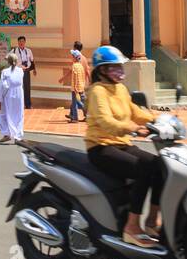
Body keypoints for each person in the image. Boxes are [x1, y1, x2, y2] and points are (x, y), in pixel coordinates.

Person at [85, 45, 163, 247]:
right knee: (143, 169)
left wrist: (158, 120)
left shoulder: (120, 89)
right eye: (114, 68)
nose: (120, 72)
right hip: (100, 147)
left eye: (121, 67)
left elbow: (135, 111)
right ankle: (132, 226)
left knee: (160, 165)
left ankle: (153, 221)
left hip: (121, 144)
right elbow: (106, 122)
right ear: (102, 71)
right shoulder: (97, 92)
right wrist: (134, 129)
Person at [0, 52, 25, 143]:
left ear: (8, 62)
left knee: (3, 114)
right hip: (19, 95)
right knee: (18, 115)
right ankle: (18, 136)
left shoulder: (5, 72)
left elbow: (3, 86)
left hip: (8, 94)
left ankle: (6, 134)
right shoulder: (20, 71)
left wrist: (0, 99)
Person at [13, 34, 35, 110]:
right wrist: (14, 65)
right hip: (18, 71)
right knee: (18, 88)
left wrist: (34, 70)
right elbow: (7, 57)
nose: (21, 43)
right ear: (18, 42)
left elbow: (32, 61)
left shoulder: (28, 51)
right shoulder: (14, 50)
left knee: (27, 88)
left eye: (22, 41)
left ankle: (28, 104)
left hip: (26, 71)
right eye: (19, 41)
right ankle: (19, 105)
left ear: (25, 42)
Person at [67, 48, 87, 123]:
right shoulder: (80, 66)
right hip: (81, 87)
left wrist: (75, 87)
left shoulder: (74, 66)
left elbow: (75, 76)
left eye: (72, 56)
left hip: (75, 88)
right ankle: (85, 115)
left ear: (75, 58)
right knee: (78, 102)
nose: (71, 58)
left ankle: (75, 118)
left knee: (76, 103)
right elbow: (82, 76)